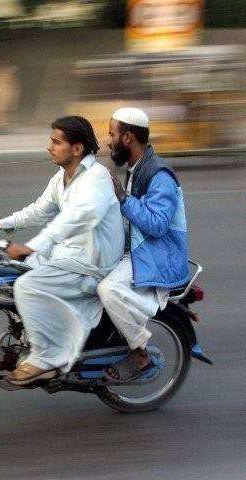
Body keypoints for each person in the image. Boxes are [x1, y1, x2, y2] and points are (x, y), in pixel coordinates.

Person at [0, 116, 124, 385]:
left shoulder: (96, 178)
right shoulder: (62, 178)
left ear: (77, 149)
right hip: (70, 254)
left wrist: (31, 247)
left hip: (91, 263)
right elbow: (39, 210)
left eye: (56, 142)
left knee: (26, 286)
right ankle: (32, 337)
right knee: (10, 273)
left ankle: (46, 359)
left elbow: (76, 219)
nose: (49, 147)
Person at [97, 107, 189, 383]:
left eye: (112, 133)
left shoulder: (159, 174)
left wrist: (123, 199)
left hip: (159, 255)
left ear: (127, 138)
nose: (108, 139)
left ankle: (140, 352)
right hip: (138, 248)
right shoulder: (136, 167)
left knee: (108, 289)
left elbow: (158, 225)